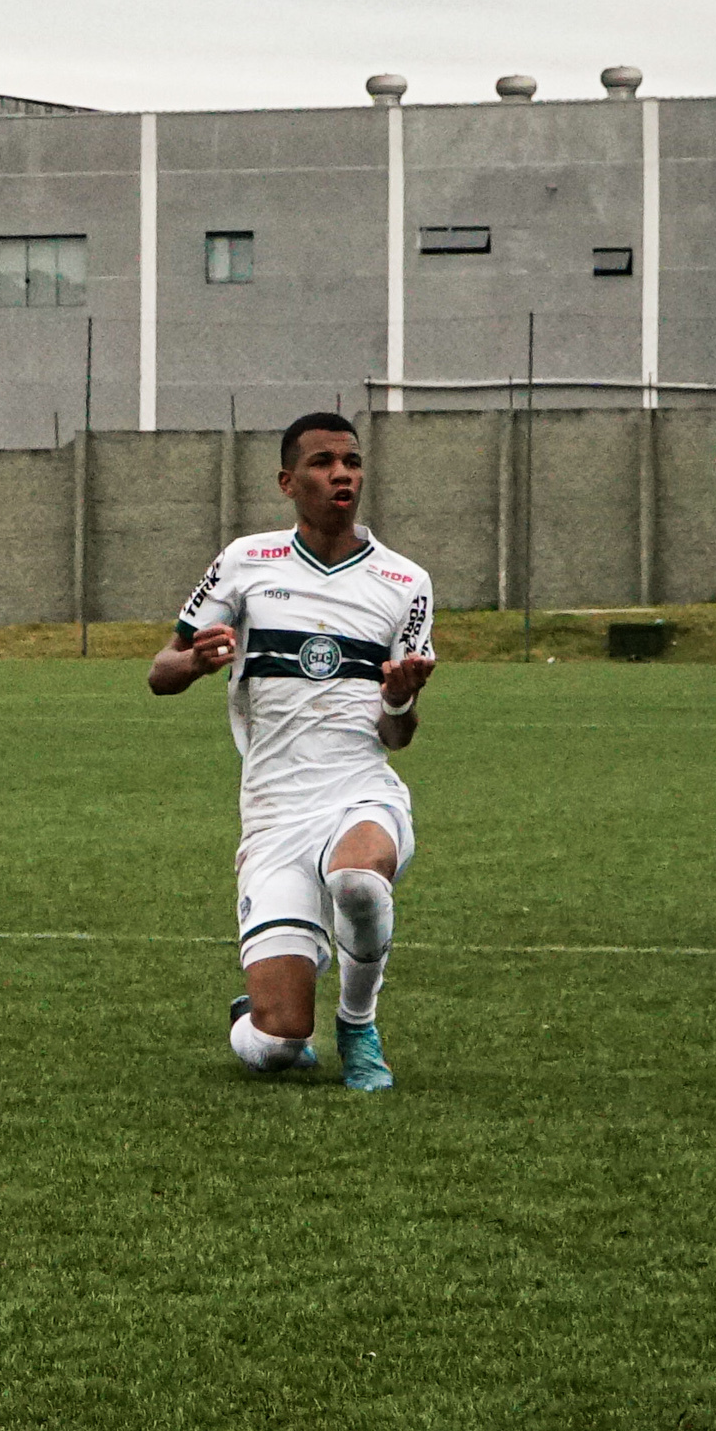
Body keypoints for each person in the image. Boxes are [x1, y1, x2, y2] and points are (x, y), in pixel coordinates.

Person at [148, 412, 435, 1091]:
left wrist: (398, 699)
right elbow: (160, 671)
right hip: (274, 817)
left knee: (358, 881)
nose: (342, 473)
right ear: (287, 481)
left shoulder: (405, 583)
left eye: (352, 462)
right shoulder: (247, 561)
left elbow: (397, 735)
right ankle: (264, 1012)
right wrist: (195, 662)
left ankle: (359, 1027)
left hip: (359, 791)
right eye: (323, 462)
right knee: (278, 1046)